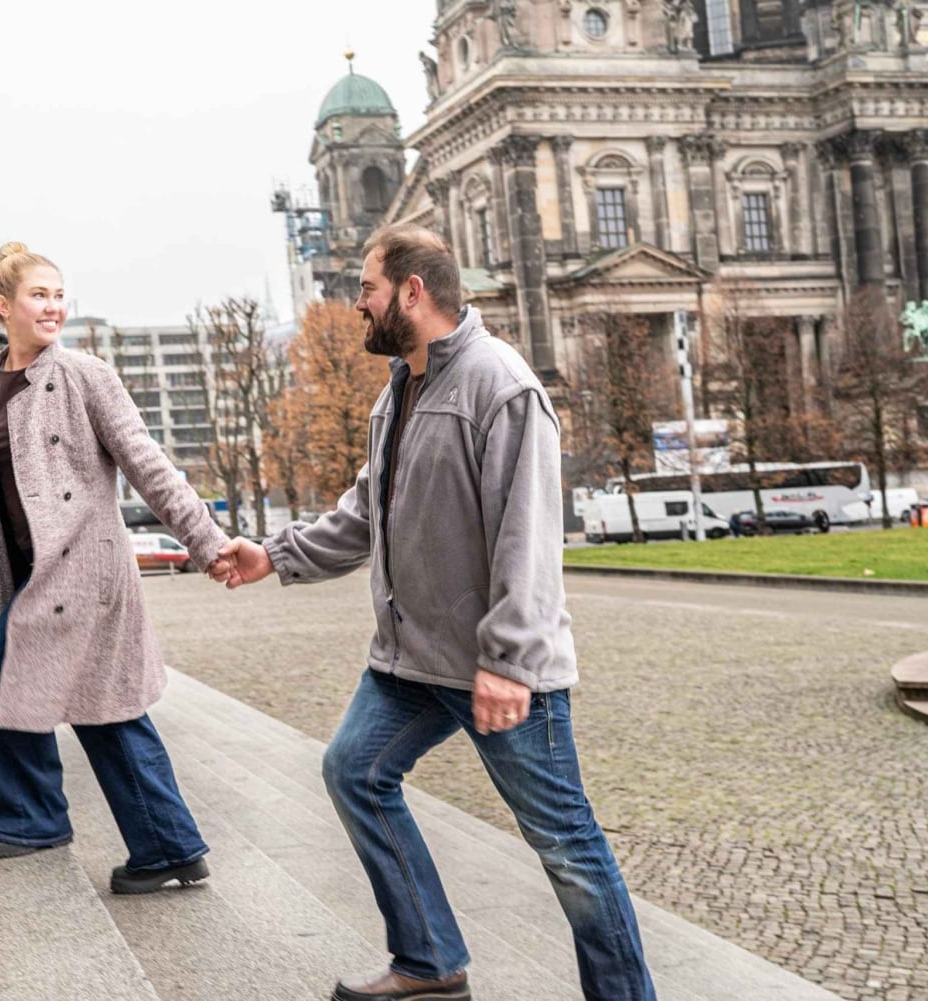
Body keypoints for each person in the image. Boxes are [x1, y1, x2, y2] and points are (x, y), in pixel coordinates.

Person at [217, 223, 656, 1001]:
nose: (358, 304)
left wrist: (509, 662)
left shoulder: (501, 386)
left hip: (495, 667)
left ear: (411, 291)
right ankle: (429, 960)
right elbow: (367, 512)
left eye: (367, 288)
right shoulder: (400, 388)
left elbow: (528, 537)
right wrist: (274, 554)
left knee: (568, 847)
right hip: (411, 661)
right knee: (355, 771)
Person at [0, 242, 228, 894]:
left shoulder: (85, 375)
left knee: (1, 675)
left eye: (59, 295)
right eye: (39, 295)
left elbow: (149, 466)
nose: (53, 306)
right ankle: (166, 845)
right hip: (31, 574)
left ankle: (31, 819)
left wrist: (207, 543)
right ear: (3, 306)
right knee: (101, 707)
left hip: (84, 571)